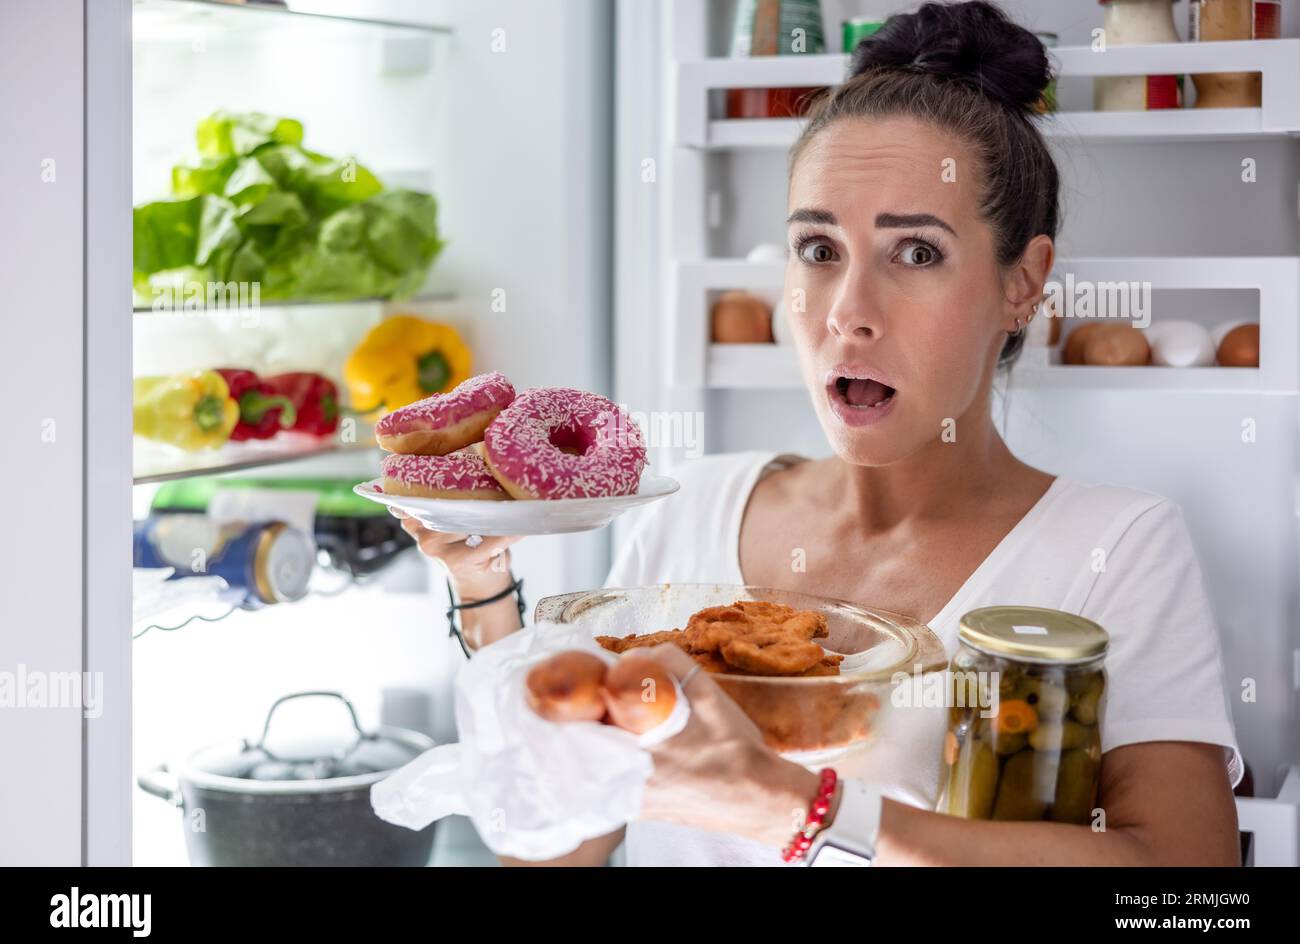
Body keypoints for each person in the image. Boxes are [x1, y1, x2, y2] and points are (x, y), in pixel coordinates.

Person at [397, 1, 1243, 866]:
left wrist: (794, 809)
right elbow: (556, 848)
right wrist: (484, 583)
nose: (849, 314)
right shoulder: (689, 507)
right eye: (818, 249)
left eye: (916, 253)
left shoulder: (1113, 547)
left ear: (1022, 282)